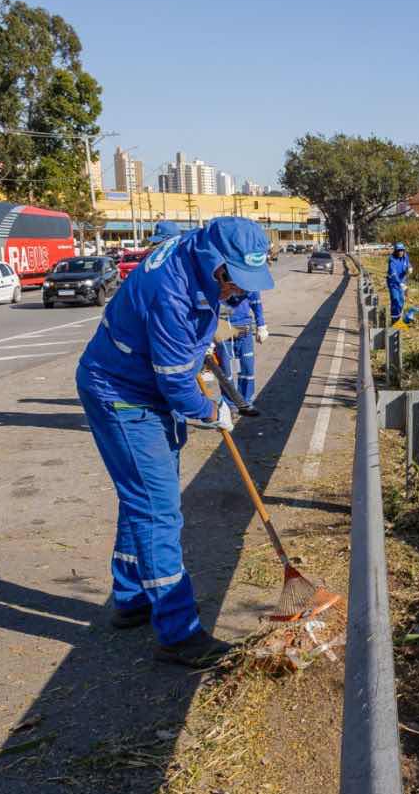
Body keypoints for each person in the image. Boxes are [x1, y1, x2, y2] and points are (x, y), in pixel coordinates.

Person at [74, 217, 273, 668]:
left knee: (142, 497)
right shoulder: (172, 293)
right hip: (123, 395)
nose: (237, 294)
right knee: (158, 509)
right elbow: (177, 385)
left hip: (141, 384)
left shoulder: (196, 255)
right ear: (215, 263)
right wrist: (210, 410)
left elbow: (190, 351)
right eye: (234, 282)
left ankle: (131, 597)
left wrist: (207, 368)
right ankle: (179, 631)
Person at [216, 289, 267, 417]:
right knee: (225, 372)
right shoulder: (219, 278)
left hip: (244, 330)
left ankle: (246, 403)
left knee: (247, 369)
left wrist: (261, 325)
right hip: (223, 329)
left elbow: (256, 303)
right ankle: (230, 405)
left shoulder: (248, 280)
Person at [387, 242, 410, 324]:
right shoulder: (392, 259)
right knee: (395, 299)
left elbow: (408, 265)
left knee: (401, 300)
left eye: (402, 250)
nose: (400, 252)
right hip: (393, 283)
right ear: (395, 251)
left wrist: (409, 269)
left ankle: (399, 319)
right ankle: (394, 321)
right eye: (398, 250)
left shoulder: (405, 257)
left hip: (402, 282)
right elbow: (393, 273)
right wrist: (400, 283)